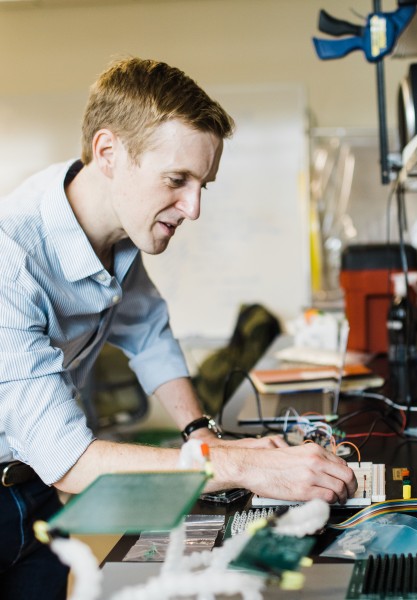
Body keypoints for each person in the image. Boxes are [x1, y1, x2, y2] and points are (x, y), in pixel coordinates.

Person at [0, 56, 357, 599]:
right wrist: (238, 466)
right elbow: (71, 460)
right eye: (177, 180)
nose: (192, 207)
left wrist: (201, 434)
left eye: (202, 186)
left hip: (35, 490)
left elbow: (149, 337)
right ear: (108, 152)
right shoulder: (10, 260)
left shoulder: (114, 227)